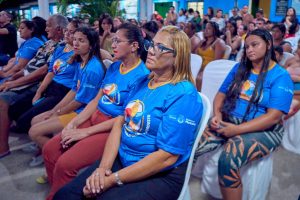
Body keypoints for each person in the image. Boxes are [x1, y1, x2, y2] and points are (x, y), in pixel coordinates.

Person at [53, 25, 203, 200]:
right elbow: (120, 122)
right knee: (65, 195)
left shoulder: (184, 95)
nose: (152, 51)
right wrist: (102, 169)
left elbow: (166, 157)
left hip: (160, 173)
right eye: (152, 45)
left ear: (178, 58)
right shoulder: (143, 81)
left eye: (160, 48)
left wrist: (111, 180)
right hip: (124, 157)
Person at [42, 23, 150, 200]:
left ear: (134, 46)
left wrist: (84, 132)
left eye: (118, 41)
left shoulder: (142, 76)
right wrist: (74, 122)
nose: (112, 45)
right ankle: (56, 190)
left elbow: (123, 118)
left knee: (65, 163)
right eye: (112, 40)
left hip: (110, 128)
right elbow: (96, 99)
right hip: (93, 116)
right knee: (50, 149)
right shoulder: (115, 67)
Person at [195, 29, 293, 200]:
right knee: (192, 143)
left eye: (254, 45)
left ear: (268, 45)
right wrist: (217, 114)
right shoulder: (240, 68)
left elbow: (273, 117)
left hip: (265, 130)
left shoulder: (280, 76)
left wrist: (237, 130)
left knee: (228, 160)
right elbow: (220, 94)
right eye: (247, 46)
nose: (249, 50)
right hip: (229, 120)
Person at [28, 27, 106, 154]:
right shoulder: (81, 63)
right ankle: (47, 151)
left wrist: (58, 113)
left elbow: (79, 101)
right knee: (35, 120)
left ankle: (58, 156)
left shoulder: (92, 69)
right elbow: (74, 90)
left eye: (81, 40)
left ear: (91, 45)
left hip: (83, 113)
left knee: (34, 131)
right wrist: (55, 110)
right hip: (76, 108)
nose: (75, 43)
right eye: (75, 39)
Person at [0, 14, 67, 158]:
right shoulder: (47, 43)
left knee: (5, 102)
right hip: (36, 82)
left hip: (42, 85)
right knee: (13, 108)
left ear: (59, 29)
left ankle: (5, 147)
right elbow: (29, 66)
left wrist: (14, 82)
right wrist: (13, 77)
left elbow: (44, 72)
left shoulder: (61, 47)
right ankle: (41, 143)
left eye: (49, 25)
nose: (46, 28)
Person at [195, 21, 226, 90]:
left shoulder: (219, 42)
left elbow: (216, 62)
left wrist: (203, 70)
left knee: (199, 78)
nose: (206, 30)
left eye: (209, 28)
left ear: (215, 30)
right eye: (205, 28)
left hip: (209, 69)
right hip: (199, 67)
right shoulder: (202, 41)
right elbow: (196, 55)